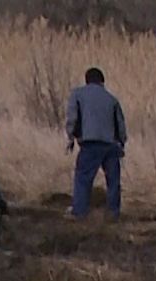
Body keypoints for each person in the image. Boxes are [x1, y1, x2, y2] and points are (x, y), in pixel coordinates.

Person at [66, 68, 127, 221]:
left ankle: (79, 212)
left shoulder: (78, 94)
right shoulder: (112, 99)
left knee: (83, 178)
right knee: (113, 181)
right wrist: (122, 142)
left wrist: (71, 136)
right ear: (102, 81)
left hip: (90, 143)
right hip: (111, 144)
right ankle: (113, 213)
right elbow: (120, 123)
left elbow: (72, 117)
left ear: (86, 80)